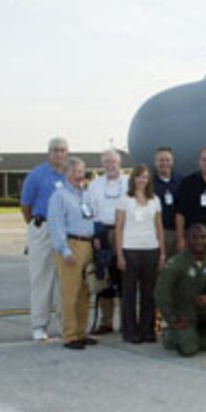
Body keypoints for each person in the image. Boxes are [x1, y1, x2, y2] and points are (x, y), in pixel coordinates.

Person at [154, 223, 206, 357]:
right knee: (189, 350)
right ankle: (172, 335)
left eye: (203, 237)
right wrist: (172, 319)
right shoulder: (176, 262)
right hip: (183, 313)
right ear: (187, 240)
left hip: (204, 308)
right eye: (195, 238)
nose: (200, 241)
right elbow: (161, 293)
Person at [20, 136, 68, 341]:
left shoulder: (70, 174)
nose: (59, 154)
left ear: (67, 153)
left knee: (65, 280)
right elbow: (25, 205)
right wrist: (37, 225)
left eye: (62, 150)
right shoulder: (37, 175)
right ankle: (39, 325)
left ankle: (67, 324)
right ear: (49, 153)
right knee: (42, 279)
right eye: (55, 150)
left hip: (66, 231)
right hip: (43, 227)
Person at [48, 157, 98, 350]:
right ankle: (69, 335)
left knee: (85, 292)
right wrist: (65, 249)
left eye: (81, 172)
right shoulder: (59, 196)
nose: (80, 176)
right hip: (71, 245)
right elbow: (56, 225)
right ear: (67, 173)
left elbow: (90, 218)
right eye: (76, 172)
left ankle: (80, 332)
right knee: (70, 293)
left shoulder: (85, 194)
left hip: (87, 246)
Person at [115, 164, 164, 344]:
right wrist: (120, 254)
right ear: (133, 179)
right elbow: (119, 228)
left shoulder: (155, 200)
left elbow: (159, 228)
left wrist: (162, 253)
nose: (142, 180)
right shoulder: (124, 199)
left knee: (149, 293)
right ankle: (130, 331)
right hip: (130, 249)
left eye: (145, 177)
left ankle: (147, 330)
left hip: (151, 249)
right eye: (139, 176)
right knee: (129, 293)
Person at [87, 148, 129, 334]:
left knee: (125, 278)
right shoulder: (94, 185)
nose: (111, 165)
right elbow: (89, 213)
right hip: (102, 232)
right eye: (107, 162)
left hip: (125, 233)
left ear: (120, 163)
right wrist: (94, 236)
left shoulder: (129, 183)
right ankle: (106, 321)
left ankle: (127, 322)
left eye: (114, 162)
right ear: (102, 164)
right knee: (104, 278)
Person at [152, 147, 181, 259]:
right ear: (155, 162)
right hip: (156, 233)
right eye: (161, 160)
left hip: (176, 232)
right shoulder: (149, 182)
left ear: (172, 161)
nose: (164, 163)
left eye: (167, 160)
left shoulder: (181, 180)